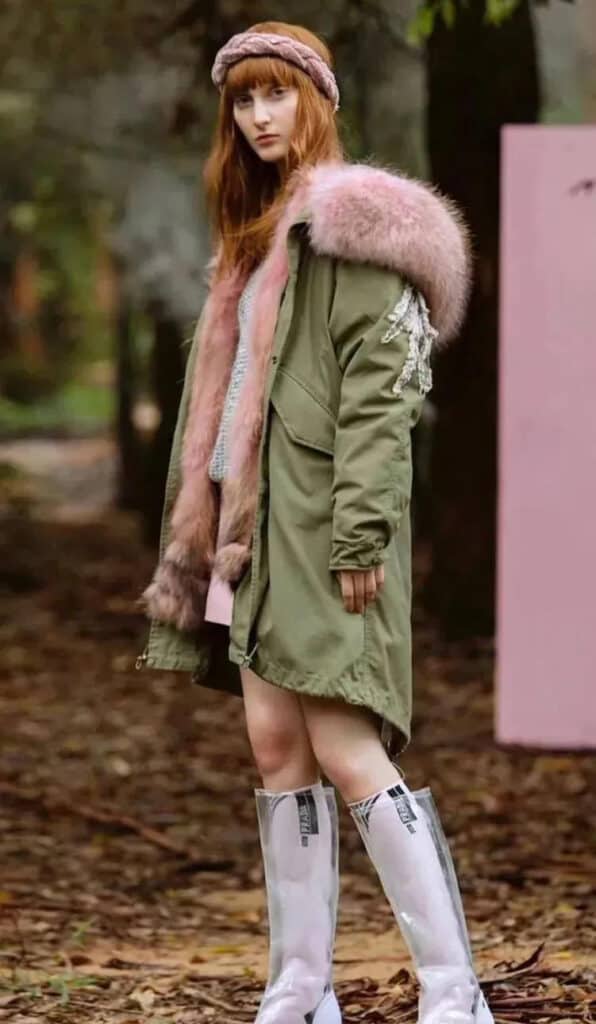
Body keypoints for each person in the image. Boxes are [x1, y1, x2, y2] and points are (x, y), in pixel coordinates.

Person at [136, 21, 494, 1024]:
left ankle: (453, 990)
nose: (259, 116)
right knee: (274, 748)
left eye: (277, 93)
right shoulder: (254, 239)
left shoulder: (355, 226)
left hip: (320, 525)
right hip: (245, 532)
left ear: (318, 101)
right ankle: (301, 988)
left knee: (344, 744)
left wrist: (359, 534)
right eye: (244, 100)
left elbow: (383, 399)